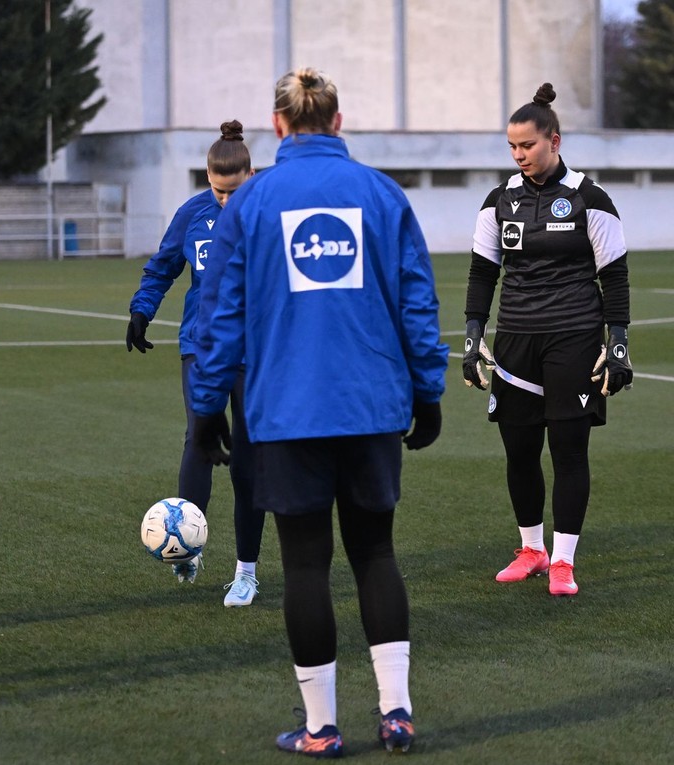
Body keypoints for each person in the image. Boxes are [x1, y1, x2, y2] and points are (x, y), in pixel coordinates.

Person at [190, 67, 446, 757]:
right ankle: (397, 713)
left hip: (287, 413)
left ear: (278, 125)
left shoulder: (250, 201)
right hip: (370, 407)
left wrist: (205, 406)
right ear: (338, 121)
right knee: (376, 553)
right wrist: (429, 390)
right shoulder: (381, 194)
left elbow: (222, 318)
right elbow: (417, 303)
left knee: (305, 567)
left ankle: (321, 728)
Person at [464, 82, 631, 597]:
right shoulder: (498, 200)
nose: (519, 156)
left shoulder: (590, 198)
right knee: (519, 450)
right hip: (515, 339)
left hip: (574, 339)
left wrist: (618, 343)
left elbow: (616, 276)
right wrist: (474, 335)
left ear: (554, 142)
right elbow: (481, 273)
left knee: (567, 449)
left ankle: (563, 560)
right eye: (512, 147)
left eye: (527, 146)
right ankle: (531, 549)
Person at [126, 120, 261, 603]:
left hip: (254, 351)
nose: (225, 200)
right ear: (208, 178)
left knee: (248, 454)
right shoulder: (194, 213)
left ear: (252, 175)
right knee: (199, 439)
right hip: (200, 346)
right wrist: (142, 310)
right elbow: (162, 265)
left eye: (234, 190)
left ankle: (246, 571)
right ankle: (188, 547)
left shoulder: (267, 213)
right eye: (218, 190)